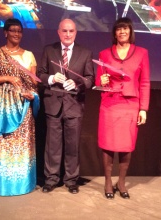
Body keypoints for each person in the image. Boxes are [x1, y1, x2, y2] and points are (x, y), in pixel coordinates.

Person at [0, 18, 40, 196]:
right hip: (2, 108)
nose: (16, 34)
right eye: (12, 30)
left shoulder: (29, 56)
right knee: (2, 143)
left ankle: (22, 184)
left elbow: (34, 84)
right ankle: (0, 184)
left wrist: (31, 94)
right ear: (5, 32)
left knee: (23, 145)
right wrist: (8, 78)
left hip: (23, 108)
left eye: (19, 31)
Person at [95, 17, 150, 199]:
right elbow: (99, 81)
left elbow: (145, 82)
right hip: (110, 104)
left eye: (125, 28)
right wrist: (101, 81)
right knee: (108, 146)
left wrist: (143, 108)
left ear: (130, 31)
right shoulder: (104, 54)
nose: (122, 32)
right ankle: (108, 182)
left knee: (126, 146)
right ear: (115, 33)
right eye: (118, 29)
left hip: (130, 105)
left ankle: (122, 181)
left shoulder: (142, 53)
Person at [37, 18, 94, 194]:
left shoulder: (85, 52)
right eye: (64, 31)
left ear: (75, 32)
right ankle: (51, 179)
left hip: (74, 105)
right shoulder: (49, 50)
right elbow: (40, 74)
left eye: (71, 31)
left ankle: (71, 180)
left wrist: (77, 84)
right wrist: (52, 79)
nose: (68, 34)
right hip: (53, 104)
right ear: (58, 32)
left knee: (72, 145)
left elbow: (90, 79)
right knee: (52, 145)